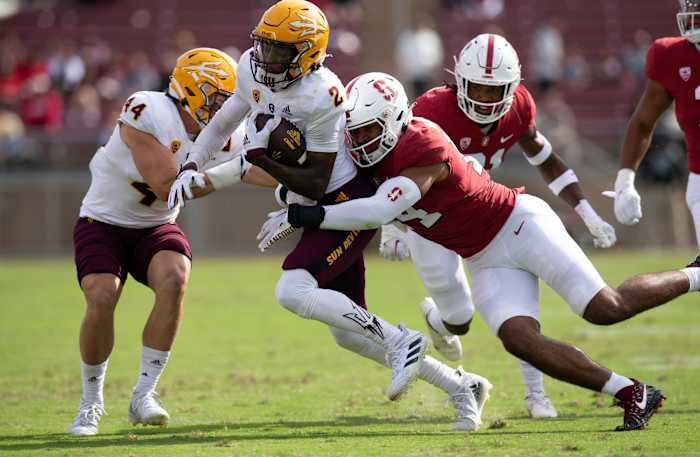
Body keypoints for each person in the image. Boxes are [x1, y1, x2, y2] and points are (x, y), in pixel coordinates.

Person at [259, 71, 700, 431]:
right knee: (518, 339)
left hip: (519, 224)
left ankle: (696, 274)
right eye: (355, 132)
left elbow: (376, 208)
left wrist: (303, 218)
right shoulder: (366, 150)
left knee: (606, 307)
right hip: (482, 254)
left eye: (370, 131)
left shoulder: (421, 143)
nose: (360, 143)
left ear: (394, 120)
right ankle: (631, 392)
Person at [169, 0, 490, 430]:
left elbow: (317, 183)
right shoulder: (250, 68)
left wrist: (263, 160)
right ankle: (461, 387)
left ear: (307, 53)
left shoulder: (323, 93)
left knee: (293, 291)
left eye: (281, 51)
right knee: (346, 331)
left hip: (344, 198)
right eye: (265, 46)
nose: (267, 59)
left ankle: (401, 342)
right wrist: (193, 164)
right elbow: (225, 122)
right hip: (314, 196)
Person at [378, 33, 617, 419]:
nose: (487, 99)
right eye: (479, 89)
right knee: (459, 319)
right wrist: (393, 225)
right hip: (431, 220)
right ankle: (438, 321)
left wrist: (585, 208)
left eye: (496, 91)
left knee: (520, 304)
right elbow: (392, 165)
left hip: (486, 213)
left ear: (513, 87)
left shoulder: (519, 106)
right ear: (458, 80)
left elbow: (543, 154)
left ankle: (536, 394)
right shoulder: (431, 108)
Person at [69, 47, 275, 436]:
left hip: (154, 226)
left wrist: (303, 191)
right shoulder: (148, 112)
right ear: (192, 90)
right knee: (101, 296)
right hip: (104, 221)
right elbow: (167, 187)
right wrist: (232, 173)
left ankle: (144, 394)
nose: (223, 109)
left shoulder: (228, 136)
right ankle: (90, 401)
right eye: (217, 97)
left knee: (175, 278)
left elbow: (260, 170)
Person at [609, 0, 700, 249]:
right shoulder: (670, 56)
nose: (694, 21)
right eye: (692, 14)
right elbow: (642, 123)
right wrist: (624, 181)